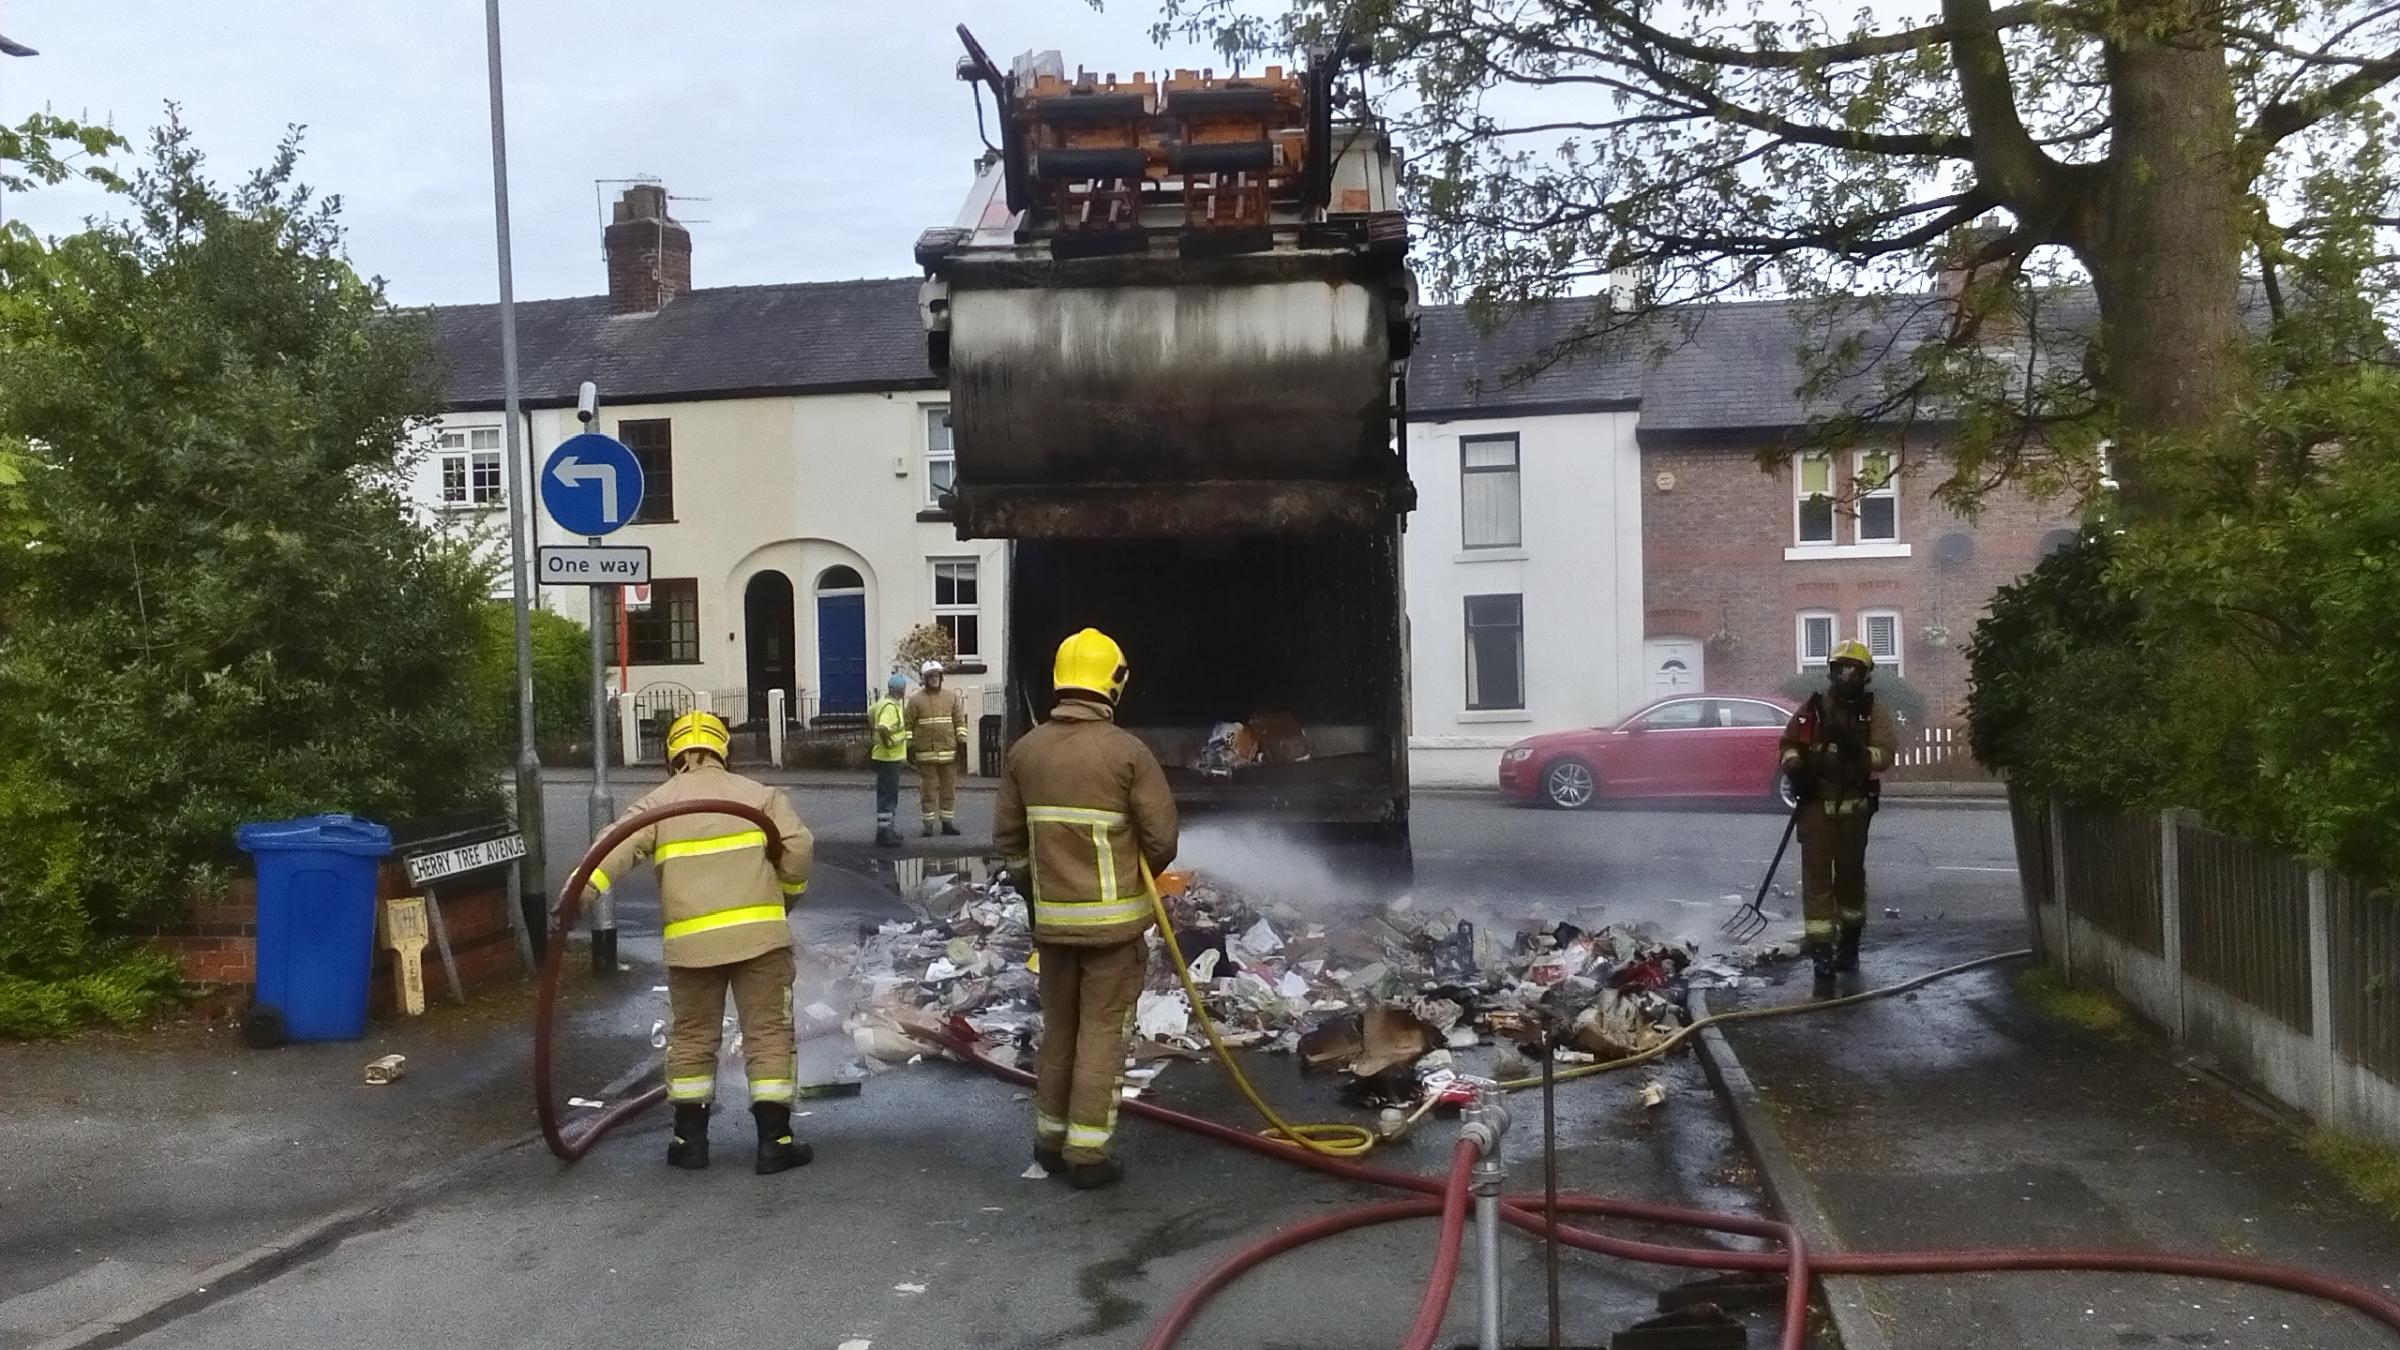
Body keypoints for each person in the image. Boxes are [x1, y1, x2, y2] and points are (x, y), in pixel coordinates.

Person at [585, 710, 815, 1173]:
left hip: (692, 948)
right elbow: (800, 847)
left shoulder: (658, 803)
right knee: (767, 1034)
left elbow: (612, 847)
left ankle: (689, 1142)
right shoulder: (760, 796)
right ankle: (775, 1142)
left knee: (691, 1037)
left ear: (672, 757)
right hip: (760, 943)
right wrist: (784, 898)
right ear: (723, 751)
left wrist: (577, 894)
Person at [993, 628, 1179, 1190]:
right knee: (1101, 1033)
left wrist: (1037, 894)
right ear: (1114, 681)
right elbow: (1162, 838)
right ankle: (1087, 1155)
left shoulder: (1025, 750)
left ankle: (1048, 1143)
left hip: (1052, 929)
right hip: (1114, 934)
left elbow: (1007, 841)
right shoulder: (1127, 753)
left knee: (1060, 1031)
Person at [1779, 640, 1900, 992]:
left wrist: (1857, 752)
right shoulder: (1813, 710)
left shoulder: (1873, 713)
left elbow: (1885, 754)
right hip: (1815, 808)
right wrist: (1796, 768)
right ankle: (1821, 954)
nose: (1845, 676)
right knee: (1817, 883)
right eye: (1840, 669)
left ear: (1864, 676)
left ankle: (1849, 944)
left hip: (1854, 812)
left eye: (1853, 670)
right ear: (1831, 672)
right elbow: (1787, 745)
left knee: (1849, 881)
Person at [907, 660, 968, 837]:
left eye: (936, 676)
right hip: (925, 754)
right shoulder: (916, 701)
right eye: (931, 676)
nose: (934, 679)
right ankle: (928, 825)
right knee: (928, 791)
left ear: (941, 677)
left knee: (949, 790)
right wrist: (909, 747)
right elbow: (908, 726)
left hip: (948, 753)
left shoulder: (951, 698)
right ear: (925, 679)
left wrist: (962, 743)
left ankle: (947, 823)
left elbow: (959, 722)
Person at [870, 671, 911, 848]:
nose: (905, 691)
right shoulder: (890, 707)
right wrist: (888, 742)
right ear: (900, 690)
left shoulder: (880, 704)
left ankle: (887, 830)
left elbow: (870, 717)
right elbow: (882, 726)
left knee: (886, 793)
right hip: (889, 757)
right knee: (889, 795)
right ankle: (885, 834)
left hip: (881, 756)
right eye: (904, 688)